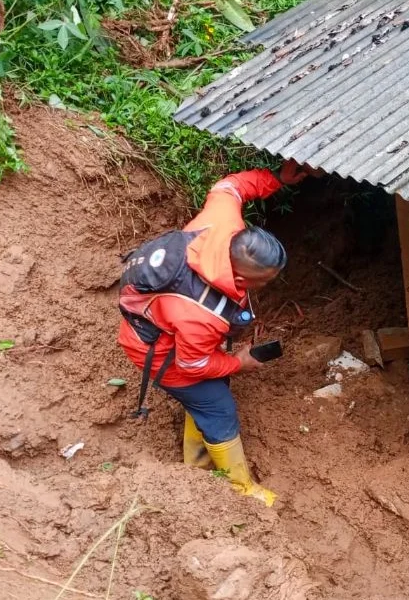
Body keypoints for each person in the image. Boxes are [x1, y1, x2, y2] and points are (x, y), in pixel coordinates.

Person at [117, 159, 316, 507]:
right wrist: (238, 362)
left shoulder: (222, 222)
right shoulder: (200, 314)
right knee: (219, 406)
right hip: (157, 349)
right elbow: (192, 366)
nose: (269, 285)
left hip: (168, 323)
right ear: (241, 280)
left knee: (208, 396)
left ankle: (196, 465)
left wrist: (277, 179)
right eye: (265, 281)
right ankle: (242, 490)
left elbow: (230, 187)